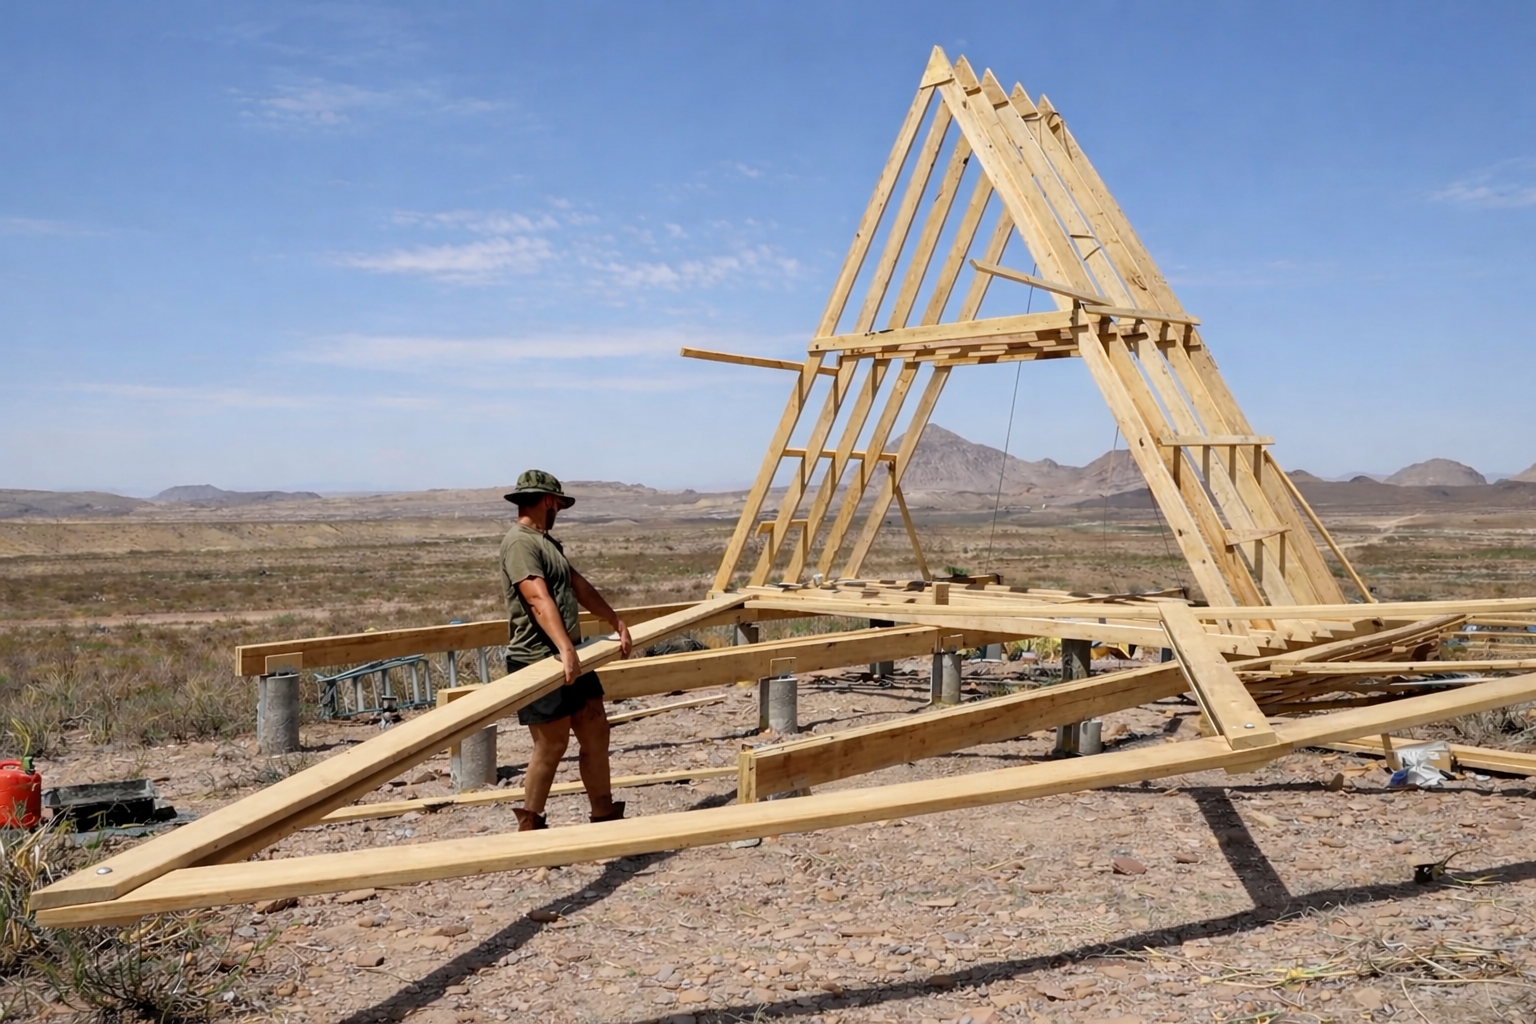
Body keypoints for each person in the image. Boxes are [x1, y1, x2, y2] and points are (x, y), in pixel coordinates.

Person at [499, 470, 632, 831]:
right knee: (552, 744)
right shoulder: (519, 543)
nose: (559, 509)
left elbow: (579, 587)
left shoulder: (547, 543)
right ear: (547, 501)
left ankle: (604, 813)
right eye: (557, 503)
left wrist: (614, 621)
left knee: (595, 726)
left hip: (569, 651)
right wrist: (563, 648)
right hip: (538, 658)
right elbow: (536, 598)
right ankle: (531, 822)